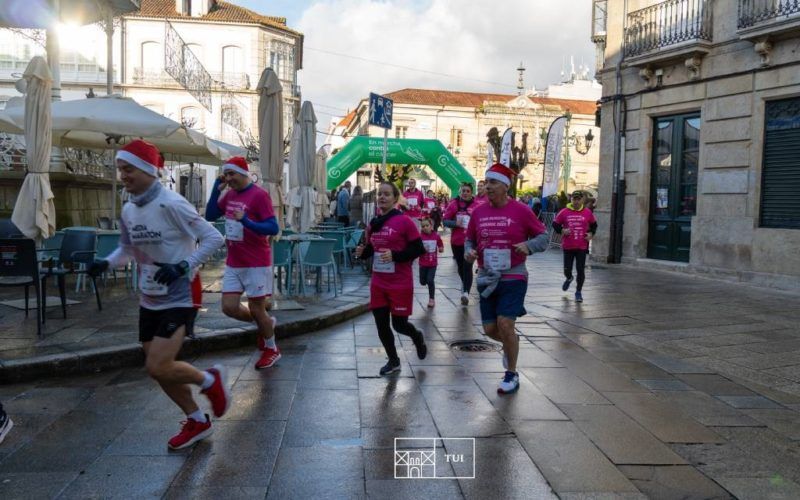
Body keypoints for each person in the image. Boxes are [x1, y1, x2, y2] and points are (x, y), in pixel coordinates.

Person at [88, 140, 228, 450]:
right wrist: (105, 263)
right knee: (159, 367)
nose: (123, 176)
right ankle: (197, 420)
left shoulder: (171, 203)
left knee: (157, 365)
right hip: (149, 296)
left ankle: (210, 380)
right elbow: (127, 249)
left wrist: (183, 265)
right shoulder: (128, 208)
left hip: (180, 293)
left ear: (149, 170)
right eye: (120, 170)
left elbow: (213, 237)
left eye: (129, 169)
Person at [465, 163, 548, 394]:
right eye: (486, 182)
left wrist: (528, 246)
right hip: (486, 275)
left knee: (505, 324)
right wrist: (469, 251)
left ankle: (511, 374)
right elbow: (469, 240)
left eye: (492, 183)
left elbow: (544, 236)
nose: (486, 186)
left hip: (514, 275)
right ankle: (511, 345)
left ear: (505, 186)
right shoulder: (479, 212)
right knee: (490, 329)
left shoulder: (521, 210)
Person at [204, 157, 281, 369]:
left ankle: (272, 348)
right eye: (226, 175)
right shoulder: (228, 195)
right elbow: (210, 214)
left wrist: (246, 220)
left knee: (257, 309)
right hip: (234, 262)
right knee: (229, 308)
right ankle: (266, 325)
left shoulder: (259, 195)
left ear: (243, 173)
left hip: (256, 262)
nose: (229, 179)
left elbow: (273, 228)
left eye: (232, 174)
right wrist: (215, 189)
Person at [355, 182, 427, 376]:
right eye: (380, 194)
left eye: (387, 194)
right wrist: (362, 252)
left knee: (399, 325)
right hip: (379, 281)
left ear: (395, 199)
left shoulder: (404, 222)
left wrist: (395, 255)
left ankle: (417, 336)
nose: (382, 197)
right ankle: (393, 360)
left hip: (400, 282)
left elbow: (418, 249)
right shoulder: (373, 223)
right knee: (381, 323)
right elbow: (371, 248)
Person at [553, 191, 597, 303]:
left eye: (578, 199)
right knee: (567, 269)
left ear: (582, 200)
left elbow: (594, 225)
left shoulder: (587, 212)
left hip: (582, 246)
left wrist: (591, 234)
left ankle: (578, 292)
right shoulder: (564, 212)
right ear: (571, 199)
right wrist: (562, 230)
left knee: (580, 270)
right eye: (574, 199)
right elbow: (555, 224)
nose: (576, 201)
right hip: (568, 245)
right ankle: (569, 278)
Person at [443, 182, 477, 305]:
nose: (465, 193)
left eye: (468, 191)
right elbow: (445, 221)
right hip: (457, 241)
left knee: (467, 266)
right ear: (460, 192)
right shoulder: (454, 204)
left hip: (471, 241)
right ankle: (465, 286)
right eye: (463, 191)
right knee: (461, 267)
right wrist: (454, 224)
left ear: (471, 192)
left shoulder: (476, 205)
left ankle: (466, 292)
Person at [418, 217, 444, 308]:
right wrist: (421, 250)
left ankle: (431, 299)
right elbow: (416, 248)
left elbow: (440, 244)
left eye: (427, 225)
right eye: (423, 226)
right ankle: (424, 281)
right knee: (422, 282)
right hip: (423, 263)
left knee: (430, 280)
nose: (425, 227)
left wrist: (441, 248)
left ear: (431, 226)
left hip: (432, 263)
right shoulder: (420, 237)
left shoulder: (436, 236)